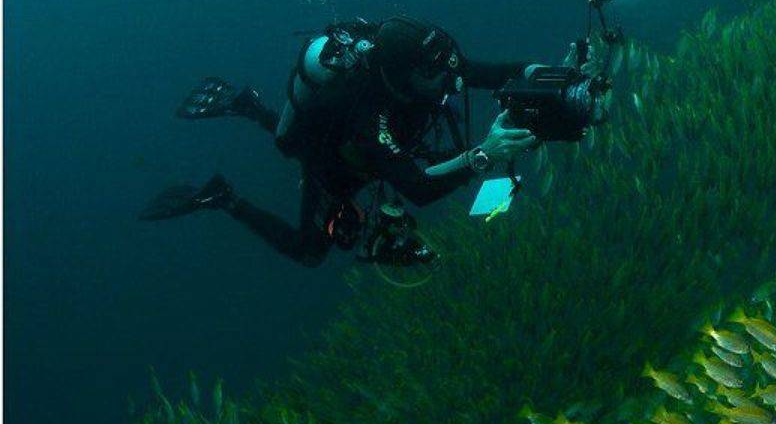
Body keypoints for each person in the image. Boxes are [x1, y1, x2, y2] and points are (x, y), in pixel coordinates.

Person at [140, 16, 547, 267]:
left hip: (369, 149)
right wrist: (485, 154)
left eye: (446, 64)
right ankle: (223, 198)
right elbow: (418, 189)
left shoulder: (429, 69)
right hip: (338, 172)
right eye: (434, 73)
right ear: (404, 75)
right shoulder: (372, 115)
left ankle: (252, 108)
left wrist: (542, 72)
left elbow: (487, 73)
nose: (449, 80)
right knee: (309, 252)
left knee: (307, 142)